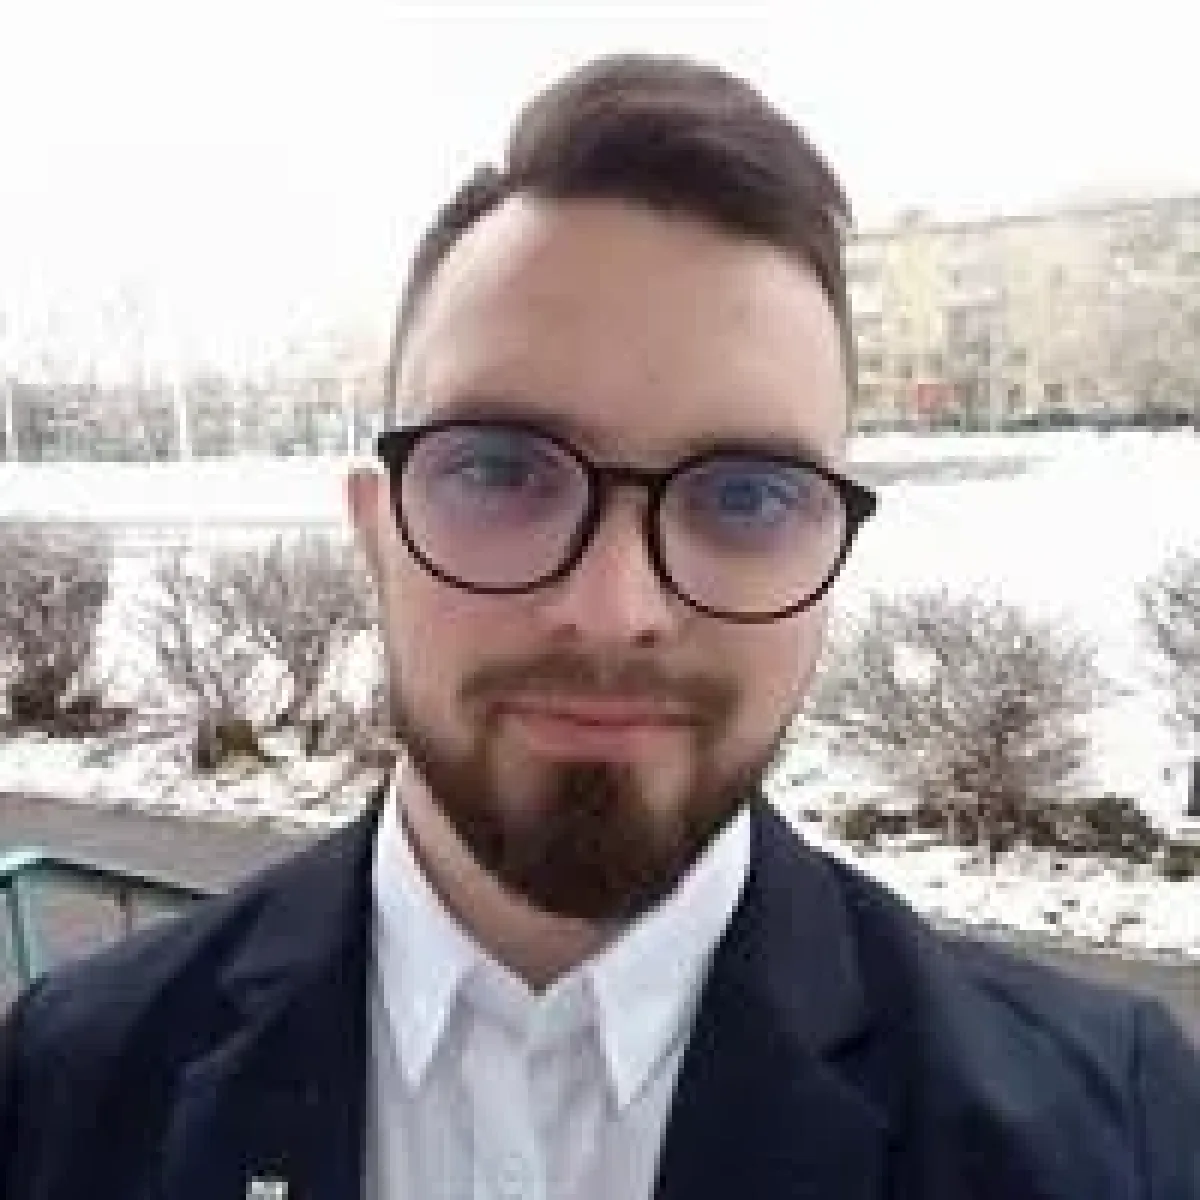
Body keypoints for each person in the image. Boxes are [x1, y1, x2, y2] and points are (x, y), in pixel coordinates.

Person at [1, 54, 1197, 1200]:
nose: (615, 611)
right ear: (378, 530)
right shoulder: (67, 1087)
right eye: (501, 471)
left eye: (746, 496)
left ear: (832, 554)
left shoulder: (1112, 1142)